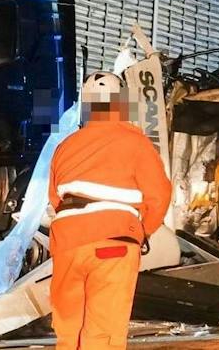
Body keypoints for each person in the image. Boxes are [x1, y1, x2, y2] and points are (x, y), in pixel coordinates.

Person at [48, 72, 171, 350]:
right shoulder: (135, 142)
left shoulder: (65, 146)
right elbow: (159, 195)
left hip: (67, 244)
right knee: (103, 332)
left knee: (69, 330)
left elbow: (55, 198)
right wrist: (140, 231)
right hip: (113, 244)